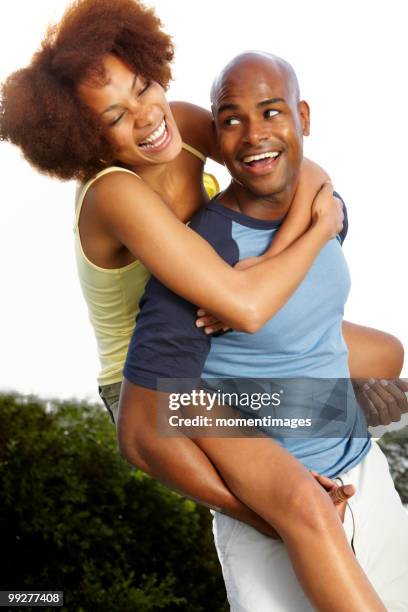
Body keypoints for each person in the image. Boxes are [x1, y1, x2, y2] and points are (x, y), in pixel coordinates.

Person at [0, 0, 405, 604]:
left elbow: (304, 170)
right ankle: (273, 502)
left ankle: (300, 411)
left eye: (143, 87)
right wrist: (315, 233)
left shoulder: (182, 128)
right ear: (87, 138)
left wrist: (273, 259)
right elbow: (243, 305)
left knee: (385, 357)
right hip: (158, 384)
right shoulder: (116, 193)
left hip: (225, 330)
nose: (145, 118)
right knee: (299, 505)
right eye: (115, 115)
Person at [119, 52, 408, 611]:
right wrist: (267, 509)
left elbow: (327, 208)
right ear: (215, 134)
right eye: (231, 120)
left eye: (272, 113)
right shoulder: (202, 263)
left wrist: (315, 228)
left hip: (366, 481)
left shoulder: (316, 205)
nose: (254, 136)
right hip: (278, 526)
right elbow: (141, 430)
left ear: (303, 116)